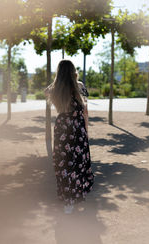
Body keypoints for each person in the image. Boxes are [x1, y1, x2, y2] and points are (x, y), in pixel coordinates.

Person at [45, 60, 94, 214]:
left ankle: (67, 200)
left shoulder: (53, 89)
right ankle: (76, 195)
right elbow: (85, 111)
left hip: (61, 128)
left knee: (63, 163)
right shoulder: (80, 87)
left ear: (58, 72)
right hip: (77, 128)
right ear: (74, 71)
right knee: (79, 162)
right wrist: (86, 130)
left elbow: (47, 91)